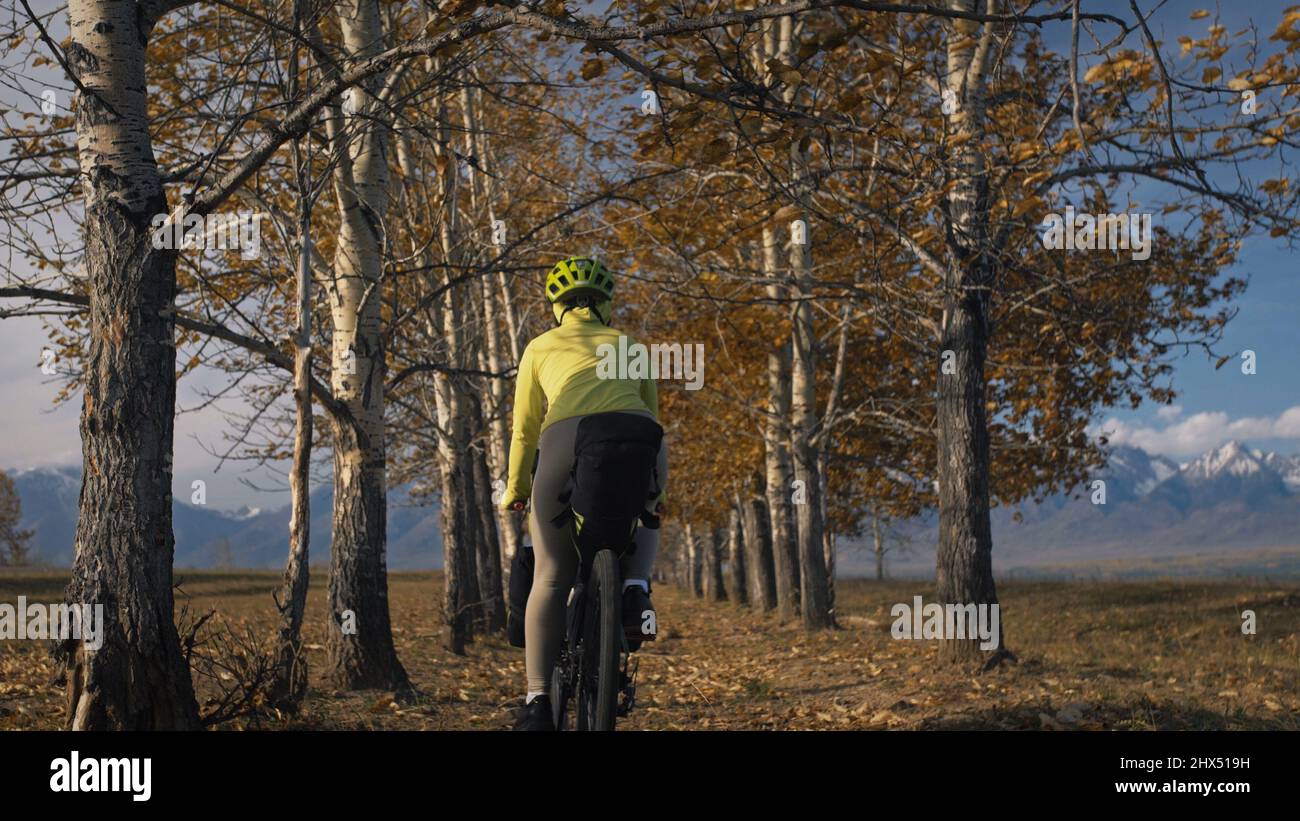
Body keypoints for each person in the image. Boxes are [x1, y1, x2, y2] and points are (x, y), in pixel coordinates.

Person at [500, 256, 667, 732]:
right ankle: (635, 588)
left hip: (565, 442)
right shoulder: (629, 345)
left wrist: (515, 489)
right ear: (606, 304)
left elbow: (525, 429)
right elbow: (651, 417)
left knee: (551, 574)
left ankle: (536, 702)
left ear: (556, 306)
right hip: (642, 441)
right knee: (650, 510)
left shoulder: (540, 347)